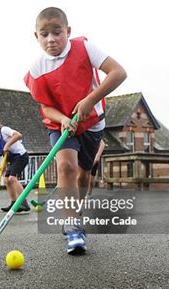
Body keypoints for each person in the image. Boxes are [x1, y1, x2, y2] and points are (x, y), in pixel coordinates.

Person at [24, 7, 127, 254]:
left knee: (83, 177)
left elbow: (119, 73)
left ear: (67, 32)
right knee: (65, 167)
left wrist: (90, 100)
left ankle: (75, 211)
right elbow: (46, 108)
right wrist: (62, 119)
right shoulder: (37, 69)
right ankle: (72, 227)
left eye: (57, 32)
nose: (51, 39)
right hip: (61, 125)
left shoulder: (84, 48)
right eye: (44, 34)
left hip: (92, 122)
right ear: (36, 36)